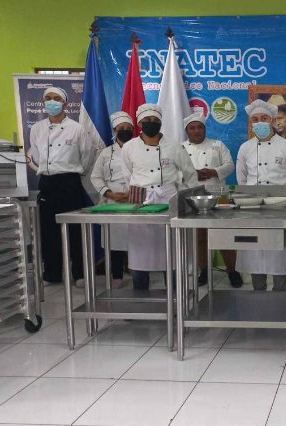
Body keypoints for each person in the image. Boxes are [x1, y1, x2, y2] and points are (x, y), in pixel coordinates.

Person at [120, 103, 198, 290]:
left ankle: (176, 296)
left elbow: (190, 174)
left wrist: (184, 198)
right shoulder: (129, 147)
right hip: (141, 203)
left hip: (168, 201)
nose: (151, 123)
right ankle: (140, 299)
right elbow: (127, 177)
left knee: (171, 251)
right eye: (147, 120)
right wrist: (138, 193)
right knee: (140, 254)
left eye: (155, 120)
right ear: (139, 123)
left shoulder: (173, 146)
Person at [235, 99, 286, 291]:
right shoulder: (245, 148)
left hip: (280, 208)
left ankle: (281, 297)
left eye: (264, 118)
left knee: (278, 255)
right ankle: (259, 297)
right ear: (251, 123)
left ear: (272, 120)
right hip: (253, 208)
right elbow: (242, 179)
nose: (259, 122)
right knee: (256, 254)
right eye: (255, 119)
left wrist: (282, 198)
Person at [29, 86, 93, 286]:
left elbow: (87, 156)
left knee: (75, 229)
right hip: (47, 182)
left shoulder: (77, 129)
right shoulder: (37, 128)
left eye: (56, 98)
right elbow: (37, 156)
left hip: (69, 182)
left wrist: (72, 170)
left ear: (65, 102)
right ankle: (52, 274)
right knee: (48, 231)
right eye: (48, 98)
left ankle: (79, 274)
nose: (52, 101)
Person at [182, 111, 242, 288]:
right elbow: (174, 170)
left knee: (224, 235)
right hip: (192, 196)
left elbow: (229, 165)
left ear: (205, 129)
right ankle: (204, 271)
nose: (197, 131)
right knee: (200, 237)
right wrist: (193, 175)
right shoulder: (180, 148)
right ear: (187, 131)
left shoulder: (218, 145)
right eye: (192, 128)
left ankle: (232, 270)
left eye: (200, 127)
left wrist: (213, 172)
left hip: (219, 195)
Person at [90, 111, 135, 289]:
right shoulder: (105, 153)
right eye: (121, 128)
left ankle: (138, 271)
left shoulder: (140, 148)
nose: (124, 130)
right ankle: (116, 275)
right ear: (115, 130)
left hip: (135, 200)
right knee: (114, 241)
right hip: (112, 201)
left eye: (128, 128)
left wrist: (133, 193)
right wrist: (108, 193)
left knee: (137, 239)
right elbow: (95, 177)